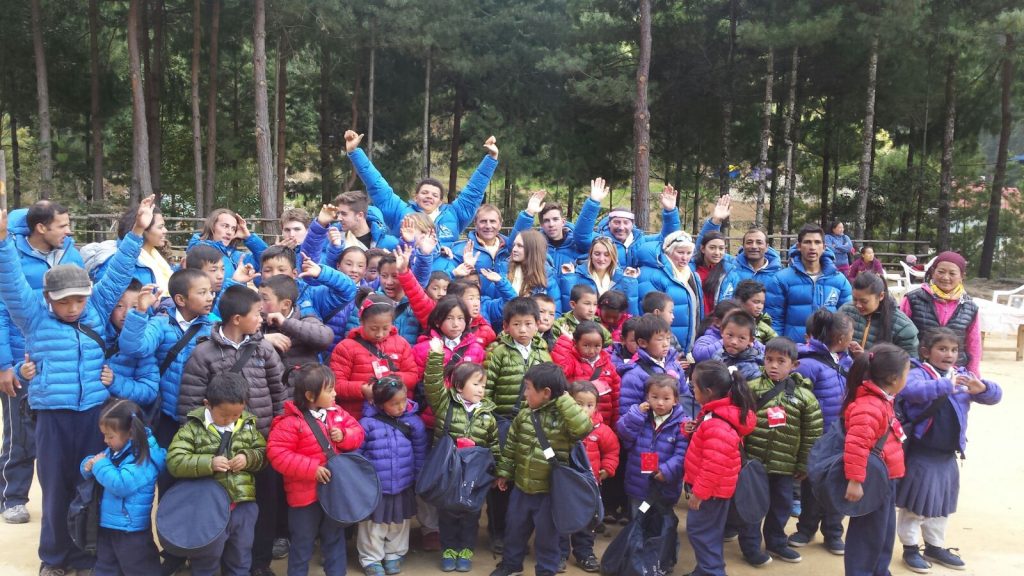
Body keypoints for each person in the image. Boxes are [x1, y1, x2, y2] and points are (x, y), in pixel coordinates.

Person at [0, 197, 153, 574]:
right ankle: (54, 559)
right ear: (48, 298)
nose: (73, 308)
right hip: (52, 416)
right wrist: (3, 240)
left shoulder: (97, 308)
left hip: (93, 417)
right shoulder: (34, 316)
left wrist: (136, 231)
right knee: (55, 491)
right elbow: (12, 284)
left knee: (90, 483)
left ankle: (87, 553)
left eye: (79, 300)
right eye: (64, 301)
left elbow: (117, 272)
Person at [176, 284, 287, 575]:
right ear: (237, 319)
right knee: (220, 507)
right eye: (257, 314)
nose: (262, 319)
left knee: (261, 507)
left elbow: (279, 394)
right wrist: (203, 446)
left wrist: (277, 434)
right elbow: (190, 404)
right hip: (218, 451)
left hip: (259, 446)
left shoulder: (264, 350)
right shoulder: (204, 354)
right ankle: (218, 561)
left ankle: (258, 563)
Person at [0, 200, 83, 526]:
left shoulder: (71, 253)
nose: (68, 230)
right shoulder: (13, 256)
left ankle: (68, 501)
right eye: (62, 225)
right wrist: (5, 364)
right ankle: (13, 497)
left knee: (57, 433)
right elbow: (3, 313)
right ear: (41, 228)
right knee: (19, 432)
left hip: (60, 359)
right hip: (23, 360)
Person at [895, 328, 1001, 573]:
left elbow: (996, 396)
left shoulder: (963, 376)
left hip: (947, 456)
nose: (949, 354)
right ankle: (910, 548)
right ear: (925, 351)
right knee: (915, 506)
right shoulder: (917, 373)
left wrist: (983, 388)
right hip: (922, 453)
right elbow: (911, 392)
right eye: (942, 349)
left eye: (954, 350)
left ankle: (934, 546)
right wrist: (944, 385)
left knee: (942, 505)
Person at [489, 364, 593, 576]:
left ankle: (546, 570)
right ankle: (511, 565)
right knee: (514, 530)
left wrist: (564, 397)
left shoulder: (564, 419)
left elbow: (583, 427)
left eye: (528, 388)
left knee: (548, 537)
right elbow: (511, 446)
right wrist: (505, 472)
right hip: (521, 488)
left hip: (549, 492)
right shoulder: (524, 415)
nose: (524, 393)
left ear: (546, 393)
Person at [267, 364, 364, 576]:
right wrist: (312, 469)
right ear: (311, 395)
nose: (335, 394)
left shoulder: (337, 414)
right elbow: (277, 455)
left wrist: (345, 435)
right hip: (304, 498)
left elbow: (358, 432)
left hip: (334, 492)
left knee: (334, 538)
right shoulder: (290, 423)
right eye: (329, 390)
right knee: (302, 542)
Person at [166, 372, 267, 576]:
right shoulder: (192, 428)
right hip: (206, 509)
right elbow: (174, 461)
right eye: (224, 415)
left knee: (240, 555)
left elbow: (264, 454)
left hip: (242, 505)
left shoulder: (248, 427)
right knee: (206, 557)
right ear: (207, 404)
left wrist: (249, 458)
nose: (230, 419)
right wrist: (208, 463)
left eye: (236, 415)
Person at [737, 338, 823, 566]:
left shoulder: (805, 397)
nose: (773, 365)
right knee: (754, 506)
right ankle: (751, 547)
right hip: (754, 464)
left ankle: (776, 542)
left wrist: (804, 465)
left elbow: (812, 435)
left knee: (782, 505)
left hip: (785, 466)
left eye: (780, 361)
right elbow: (739, 424)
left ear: (794, 365)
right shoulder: (751, 389)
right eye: (769, 360)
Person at [117, 268, 214, 453]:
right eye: (202, 293)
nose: (210, 297)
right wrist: (140, 312)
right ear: (180, 299)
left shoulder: (211, 327)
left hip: (198, 412)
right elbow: (134, 347)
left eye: (211, 292)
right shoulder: (161, 323)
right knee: (165, 463)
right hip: (166, 414)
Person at [345, 129, 499, 245]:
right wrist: (354, 152)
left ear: (440, 201)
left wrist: (491, 158)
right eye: (424, 192)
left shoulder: (455, 214)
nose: (429, 196)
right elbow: (376, 185)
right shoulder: (399, 211)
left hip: (443, 282)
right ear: (415, 196)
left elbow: (474, 191)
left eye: (434, 195)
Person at [482, 297, 552, 552]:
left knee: (526, 479)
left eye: (528, 323)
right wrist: (488, 422)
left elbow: (549, 393)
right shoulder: (497, 352)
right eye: (517, 324)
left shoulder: (543, 352)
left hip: (533, 425)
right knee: (502, 478)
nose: (523, 330)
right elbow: (485, 392)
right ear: (506, 326)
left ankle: (518, 535)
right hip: (503, 421)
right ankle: (497, 532)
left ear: (538, 324)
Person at [424, 344, 499, 572]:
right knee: (447, 513)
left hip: (474, 475)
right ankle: (449, 550)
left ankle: (465, 550)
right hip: (449, 471)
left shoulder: (488, 416)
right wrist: (436, 356)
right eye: (476, 384)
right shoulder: (445, 404)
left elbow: (494, 447)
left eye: (483, 386)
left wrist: (498, 473)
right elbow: (432, 384)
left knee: (471, 513)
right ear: (458, 386)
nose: (480, 389)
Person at [682, 360, 757, 576]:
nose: (691, 390)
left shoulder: (717, 423)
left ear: (708, 391)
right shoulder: (718, 412)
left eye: (694, 387)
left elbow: (714, 464)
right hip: (715, 490)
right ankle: (707, 569)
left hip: (711, 492)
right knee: (708, 531)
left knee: (700, 531)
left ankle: (712, 571)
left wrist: (699, 493)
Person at [841, 343, 910, 576]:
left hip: (884, 478)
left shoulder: (883, 400)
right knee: (867, 535)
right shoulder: (869, 406)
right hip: (870, 482)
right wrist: (855, 480)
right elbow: (857, 444)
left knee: (883, 531)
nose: (907, 378)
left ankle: (880, 571)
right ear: (892, 378)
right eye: (906, 373)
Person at [790, 309, 854, 554]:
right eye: (851, 335)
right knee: (812, 486)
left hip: (840, 438)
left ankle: (833, 532)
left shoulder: (845, 360)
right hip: (817, 439)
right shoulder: (807, 365)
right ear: (840, 338)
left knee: (837, 484)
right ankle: (805, 529)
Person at [79, 398, 164, 575]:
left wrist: (99, 465)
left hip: (130, 529)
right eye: (104, 435)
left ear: (131, 433)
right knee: (105, 566)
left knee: (140, 568)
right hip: (108, 524)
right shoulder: (117, 449)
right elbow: (101, 462)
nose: (105, 440)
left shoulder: (145, 457)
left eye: (110, 436)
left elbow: (121, 484)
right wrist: (88, 465)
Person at [357, 376, 429, 576]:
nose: (400, 406)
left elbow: (420, 452)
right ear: (379, 404)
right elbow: (357, 456)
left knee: (399, 522)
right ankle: (371, 558)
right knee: (374, 525)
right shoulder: (367, 424)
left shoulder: (414, 422)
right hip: (376, 488)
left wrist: (418, 477)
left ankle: (394, 554)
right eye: (394, 403)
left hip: (403, 484)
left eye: (403, 401)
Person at [329, 293, 419, 418]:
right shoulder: (346, 348)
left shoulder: (401, 344)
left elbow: (413, 375)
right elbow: (336, 385)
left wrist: (392, 381)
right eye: (374, 328)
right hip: (358, 416)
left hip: (395, 415)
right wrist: (362, 390)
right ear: (361, 321)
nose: (380, 334)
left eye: (385, 328)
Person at [562, 380, 619, 573]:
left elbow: (612, 451)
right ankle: (559, 553)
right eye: (579, 404)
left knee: (587, 522)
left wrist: (608, 468)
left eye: (590, 405)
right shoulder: (562, 427)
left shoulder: (601, 430)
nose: (585, 409)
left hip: (590, 485)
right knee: (561, 519)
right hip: (566, 485)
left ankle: (584, 553)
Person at [765, 223, 852, 342]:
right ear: (799, 246)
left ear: (824, 247)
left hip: (828, 351)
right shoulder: (781, 279)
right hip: (794, 351)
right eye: (807, 242)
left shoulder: (839, 280)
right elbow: (774, 320)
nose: (812, 247)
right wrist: (779, 349)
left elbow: (847, 318)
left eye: (817, 242)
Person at [617, 373, 690, 514]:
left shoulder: (683, 424)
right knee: (638, 518)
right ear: (647, 397)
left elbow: (682, 454)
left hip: (663, 485)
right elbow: (624, 433)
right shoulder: (640, 417)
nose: (660, 403)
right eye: (654, 397)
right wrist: (636, 415)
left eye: (666, 398)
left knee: (660, 521)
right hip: (637, 481)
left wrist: (667, 471)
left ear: (676, 400)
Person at [900, 251, 981, 377]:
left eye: (952, 273)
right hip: (917, 370)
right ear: (933, 272)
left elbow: (973, 344)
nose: (946, 277)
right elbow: (899, 333)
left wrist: (973, 374)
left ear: (962, 276)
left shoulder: (970, 307)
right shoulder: (913, 299)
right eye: (941, 272)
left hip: (954, 372)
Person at [508, 181, 603, 269]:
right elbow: (513, 247)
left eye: (555, 219)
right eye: (546, 221)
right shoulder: (536, 246)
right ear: (541, 224)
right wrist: (529, 213)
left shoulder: (577, 244)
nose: (551, 224)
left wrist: (593, 203)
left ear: (563, 221)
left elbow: (583, 233)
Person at [84, 204, 174, 298]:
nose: (165, 230)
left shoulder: (157, 255)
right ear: (143, 229)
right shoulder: (116, 261)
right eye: (160, 227)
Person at [637, 231, 704, 354]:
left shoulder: (690, 274)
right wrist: (671, 350)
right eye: (680, 252)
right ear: (668, 251)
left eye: (689, 253)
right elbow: (649, 317)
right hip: (665, 348)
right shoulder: (652, 275)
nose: (685, 258)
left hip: (687, 347)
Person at [481, 229, 561, 326]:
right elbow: (488, 306)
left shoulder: (547, 276)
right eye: (514, 245)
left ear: (532, 249)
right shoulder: (502, 271)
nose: (514, 249)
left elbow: (555, 312)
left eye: (520, 246)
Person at [550, 321, 621, 427]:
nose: (592, 351)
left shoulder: (609, 366)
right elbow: (561, 370)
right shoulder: (571, 361)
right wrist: (565, 341)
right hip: (575, 424)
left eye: (597, 346)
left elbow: (615, 400)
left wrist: (614, 427)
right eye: (586, 345)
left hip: (602, 425)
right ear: (575, 343)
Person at [618, 314, 688, 418]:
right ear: (642, 343)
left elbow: (685, 398)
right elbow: (627, 415)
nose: (666, 344)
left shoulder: (674, 365)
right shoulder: (633, 375)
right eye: (660, 339)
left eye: (668, 339)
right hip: (650, 431)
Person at [596, 184, 681, 268]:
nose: (621, 227)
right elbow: (583, 234)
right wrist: (593, 202)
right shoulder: (598, 241)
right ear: (609, 223)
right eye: (617, 222)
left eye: (626, 223)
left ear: (632, 225)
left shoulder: (641, 241)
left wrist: (670, 211)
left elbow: (668, 238)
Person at [258, 275, 334, 366]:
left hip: (301, 378)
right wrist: (263, 339)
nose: (259, 304)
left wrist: (285, 323)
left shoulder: (304, 318)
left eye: (265, 299)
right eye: (258, 298)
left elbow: (326, 337)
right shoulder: (257, 321)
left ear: (286, 304)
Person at [839, 271, 919, 357]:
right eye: (854, 299)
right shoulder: (845, 311)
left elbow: (910, 365)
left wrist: (868, 360)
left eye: (864, 301)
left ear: (881, 296)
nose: (858, 305)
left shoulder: (903, 327)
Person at [188, 208, 268, 281]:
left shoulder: (234, 256)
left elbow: (266, 260)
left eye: (233, 228)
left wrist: (249, 237)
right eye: (225, 226)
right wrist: (235, 281)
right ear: (212, 227)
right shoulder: (200, 254)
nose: (229, 232)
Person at [450, 204, 509, 272]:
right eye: (483, 221)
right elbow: (447, 277)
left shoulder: (510, 248)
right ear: (475, 224)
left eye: (492, 221)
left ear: (500, 224)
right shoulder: (460, 250)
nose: (488, 226)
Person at [712, 311, 764, 381]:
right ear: (722, 332)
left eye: (741, 338)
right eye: (730, 335)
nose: (734, 342)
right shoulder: (718, 354)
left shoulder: (751, 369)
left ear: (750, 340)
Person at [693, 231, 730, 316]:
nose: (717, 253)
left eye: (721, 248)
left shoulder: (729, 273)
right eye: (712, 248)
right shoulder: (692, 271)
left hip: (718, 323)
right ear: (702, 249)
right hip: (696, 322)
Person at [732, 279, 778, 344]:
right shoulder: (729, 321)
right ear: (742, 301)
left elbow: (777, 345)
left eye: (762, 303)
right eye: (756, 302)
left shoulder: (763, 326)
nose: (760, 307)